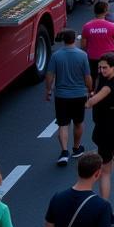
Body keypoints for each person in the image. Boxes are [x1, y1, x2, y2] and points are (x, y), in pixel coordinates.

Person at [86, 53, 114, 218]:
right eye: (100, 67)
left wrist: (86, 101)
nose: (101, 70)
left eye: (105, 67)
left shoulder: (111, 84)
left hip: (109, 131)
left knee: (105, 170)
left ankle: (104, 209)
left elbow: (93, 101)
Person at [46, 29, 92, 166]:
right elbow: (87, 76)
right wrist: (90, 90)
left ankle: (64, 152)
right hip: (79, 95)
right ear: (75, 40)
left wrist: (48, 90)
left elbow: (50, 75)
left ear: (63, 40)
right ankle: (76, 148)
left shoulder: (56, 56)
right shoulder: (83, 55)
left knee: (63, 124)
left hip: (61, 96)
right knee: (78, 122)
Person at [80, 0, 114, 82]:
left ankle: (92, 92)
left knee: (93, 77)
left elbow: (83, 45)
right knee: (109, 78)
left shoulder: (87, 26)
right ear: (105, 11)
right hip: (109, 57)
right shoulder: (112, 26)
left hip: (93, 57)